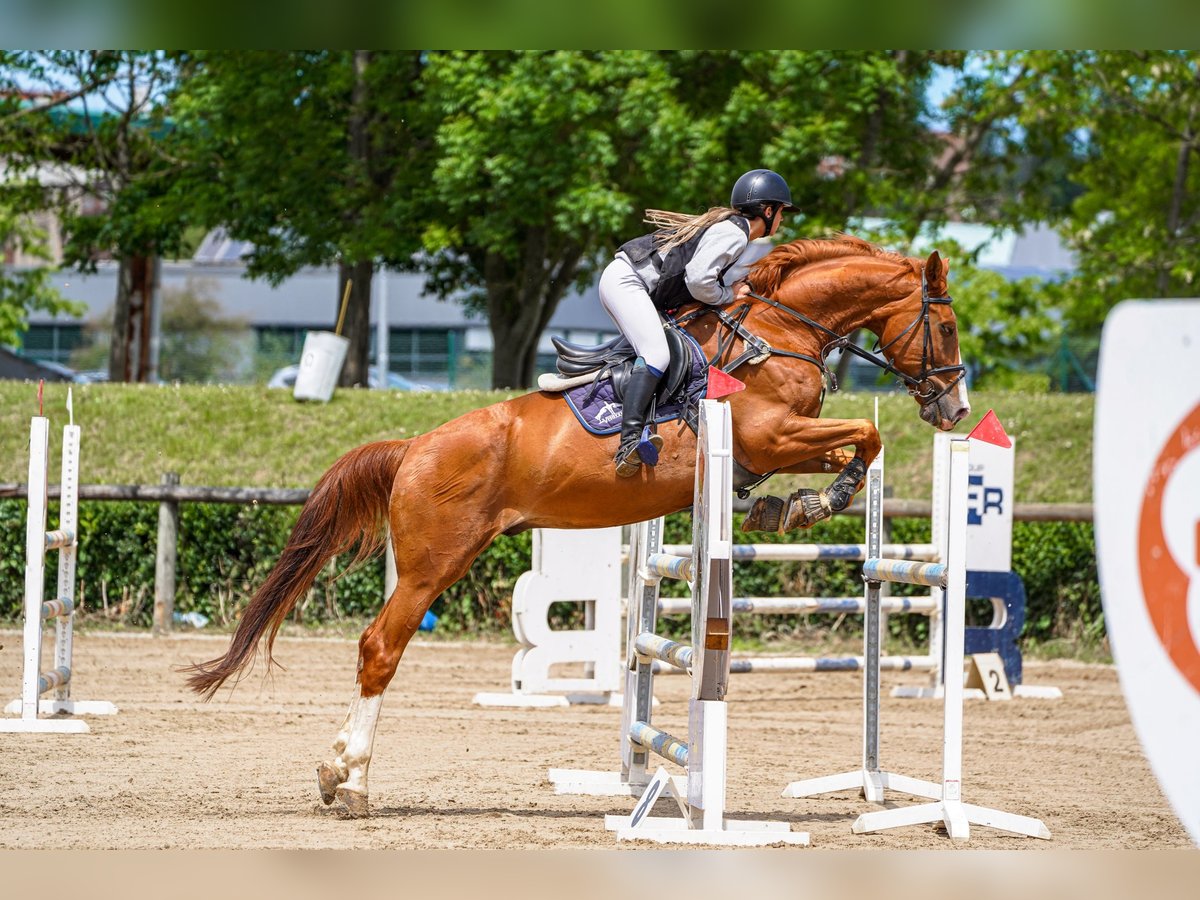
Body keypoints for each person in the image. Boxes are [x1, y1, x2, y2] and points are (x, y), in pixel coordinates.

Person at [599, 168, 794, 477]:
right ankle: (629, 443)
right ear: (768, 211)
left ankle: (649, 424)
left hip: (633, 283)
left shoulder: (733, 229)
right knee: (657, 354)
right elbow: (699, 280)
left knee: (671, 351)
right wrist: (729, 293)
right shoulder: (735, 232)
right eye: (782, 212)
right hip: (628, 282)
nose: (782, 220)